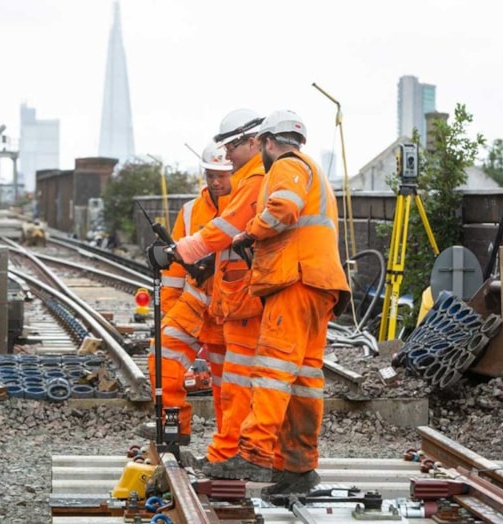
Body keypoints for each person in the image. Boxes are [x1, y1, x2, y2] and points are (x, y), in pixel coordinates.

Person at [203, 110, 351, 494]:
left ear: (268, 141)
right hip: (319, 286)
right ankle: (298, 468)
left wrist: (250, 233)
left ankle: (253, 453)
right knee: (303, 380)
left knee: (272, 369)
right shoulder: (314, 170)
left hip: (294, 281)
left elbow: (283, 210)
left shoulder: (286, 166)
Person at [173, 108, 266, 463]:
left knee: (240, 381)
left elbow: (226, 230)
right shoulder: (259, 179)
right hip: (229, 301)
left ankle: (237, 452)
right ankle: (236, 451)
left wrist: (183, 250)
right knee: (230, 382)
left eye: (232, 148)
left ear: (254, 141)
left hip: (244, 300)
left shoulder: (255, 182)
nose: (227, 156)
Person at [140, 141, 233, 444]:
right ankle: (173, 428)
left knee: (227, 385)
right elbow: (176, 271)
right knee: (162, 355)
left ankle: (230, 446)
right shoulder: (191, 211)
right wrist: (168, 310)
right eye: (210, 175)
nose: (216, 182)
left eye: (222, 175)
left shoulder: (247, 205)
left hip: (231, 310)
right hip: (194, 305)